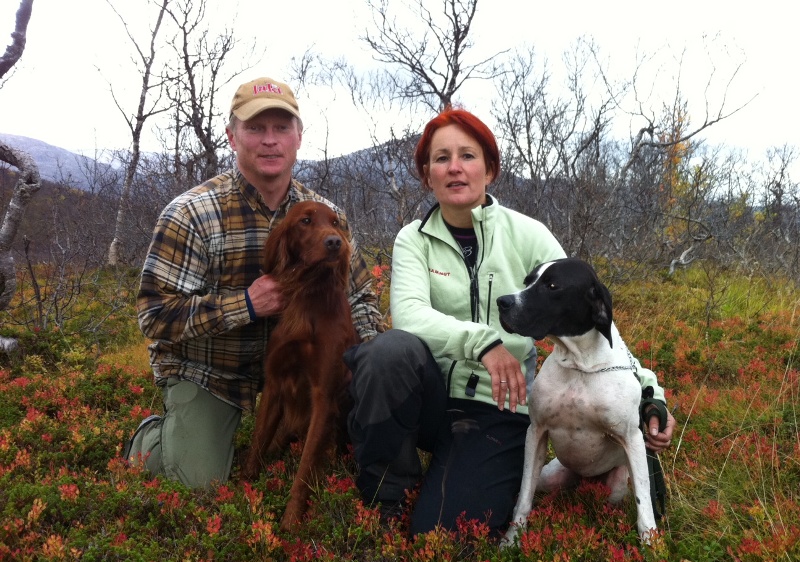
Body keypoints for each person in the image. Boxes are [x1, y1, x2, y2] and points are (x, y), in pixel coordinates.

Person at [345, 107, 676, 537]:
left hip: (497, 408)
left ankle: (448, 484)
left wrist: (651, 392)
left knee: (445, 535)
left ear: (490, 169)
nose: (455, 167)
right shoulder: (413, 239)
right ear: (427, 175)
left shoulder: (529, 234)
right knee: (387, 352)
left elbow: (589, 314)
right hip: (429, 396)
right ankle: (387, 498)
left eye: (468, 155)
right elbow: (410, 317)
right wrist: (483, 342)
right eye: (441, 158)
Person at [124, 77, 383, 488]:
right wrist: (244, 304)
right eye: (255, 128)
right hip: (211, 371)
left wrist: (372, 362)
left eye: (282, 128)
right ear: (231, 136)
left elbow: (362, 299)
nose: (270, 141)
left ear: (299, 138)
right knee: (198, 483)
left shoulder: (326, 217)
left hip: (293, 376)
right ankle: (151, 438)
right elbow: (154, 316)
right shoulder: (192, 213)